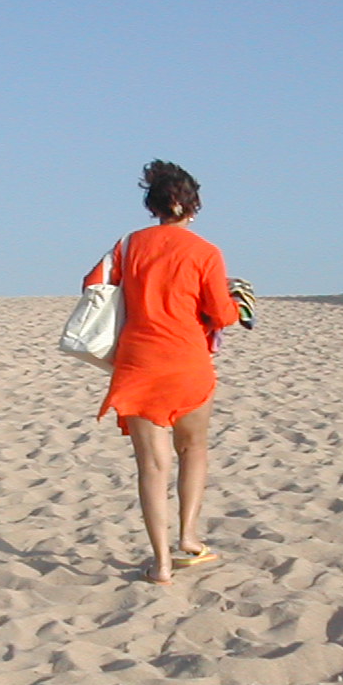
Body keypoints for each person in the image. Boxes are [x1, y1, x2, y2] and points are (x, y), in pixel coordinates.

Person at [84, 160, 242, 583]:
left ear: (152, 205)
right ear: (193, 204)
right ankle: (188, 537)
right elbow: (221, 314)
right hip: (187, 362)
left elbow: (92, 285)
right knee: (193, 449)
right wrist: (237, 302)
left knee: (152, 467)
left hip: (139, 362)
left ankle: (161, 563)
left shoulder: (128, 245)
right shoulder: (205, 251)